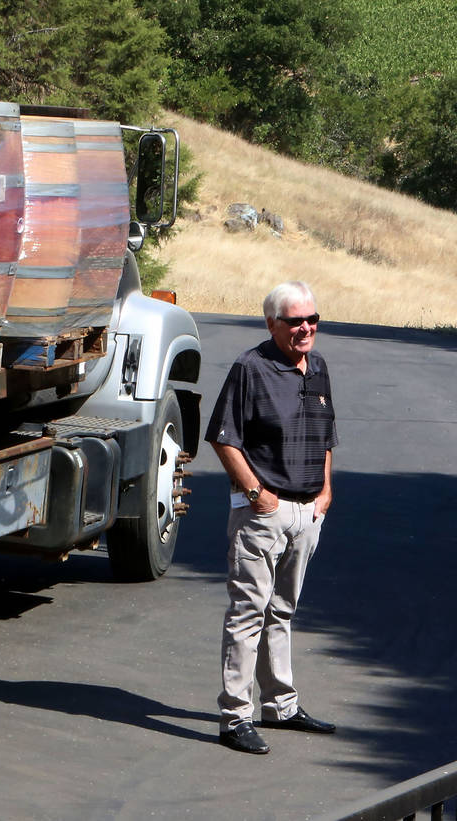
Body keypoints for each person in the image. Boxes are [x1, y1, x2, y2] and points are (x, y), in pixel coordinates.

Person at [204, 281, 338, 755]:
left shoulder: (317, 367)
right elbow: (223, 436)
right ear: (272, 325)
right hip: (265, 513)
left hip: (307, 512)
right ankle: (234, 716)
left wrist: (324, 491)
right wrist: (257, 494)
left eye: (312, 320)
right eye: (295, 321)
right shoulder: (251, 368)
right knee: (248, 613)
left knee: (282, 610)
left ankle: (280, 705)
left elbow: (325, 435)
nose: (305, 329)